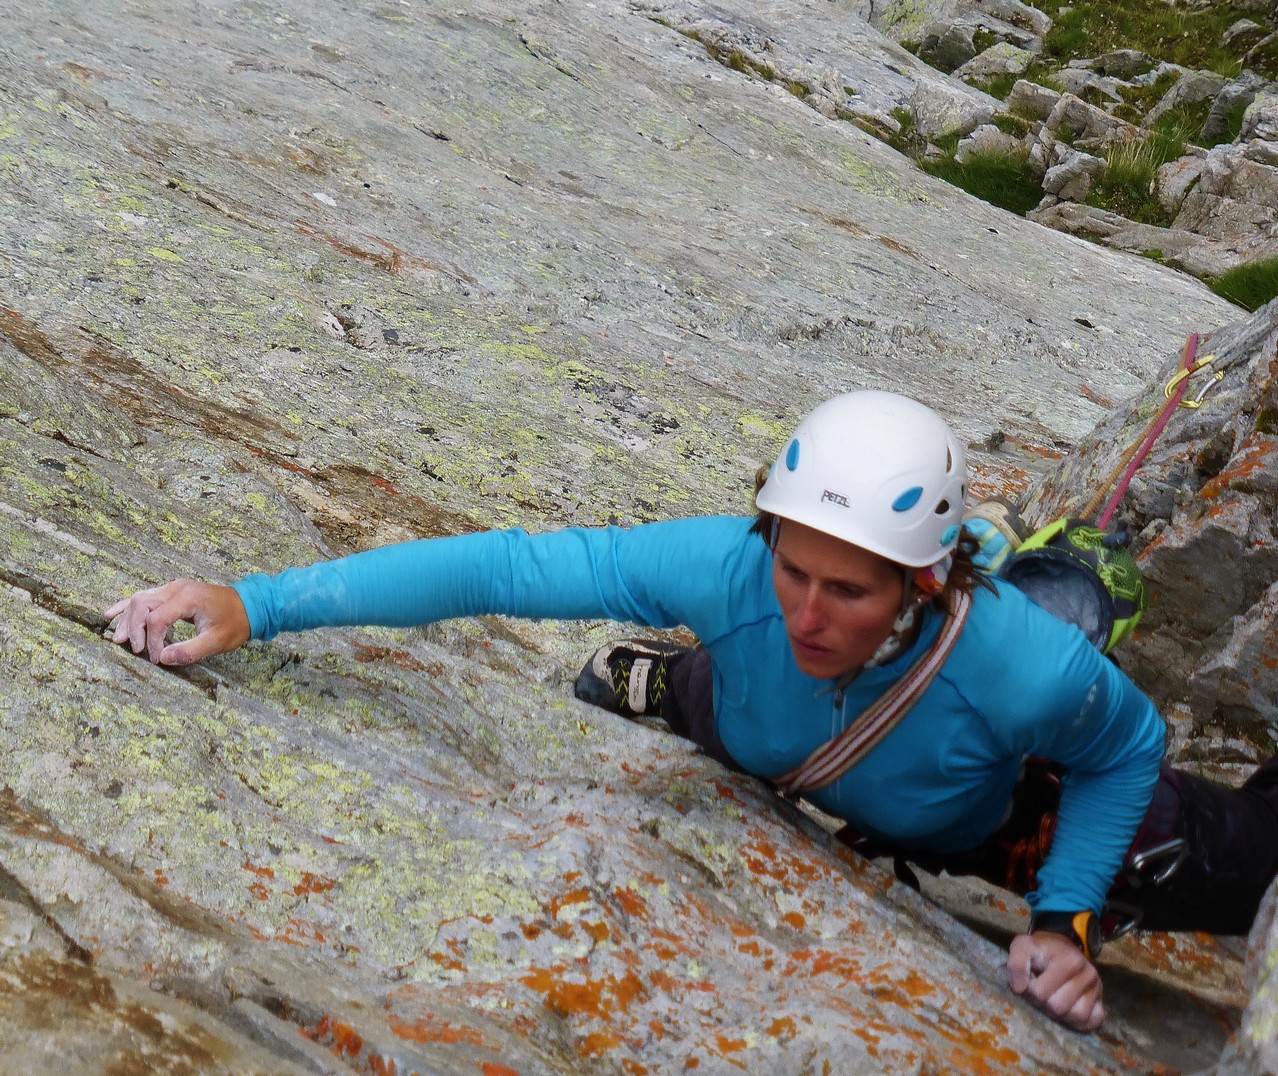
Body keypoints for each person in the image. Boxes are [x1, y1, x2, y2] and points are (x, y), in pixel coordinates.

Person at [105, 389, 1278, 1035]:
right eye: (793, 568)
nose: (808, 610)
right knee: (736, 682)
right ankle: (671, 682)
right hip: (776, 729)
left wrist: (1066, 916)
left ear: (924, 580)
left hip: (998, 800)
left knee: (1244, 861)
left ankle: (1050, 580)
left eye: (849, 589)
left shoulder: (1015, 668)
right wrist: (257, 602)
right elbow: (508, 565)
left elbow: (1127, 745)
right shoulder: (729, 572)